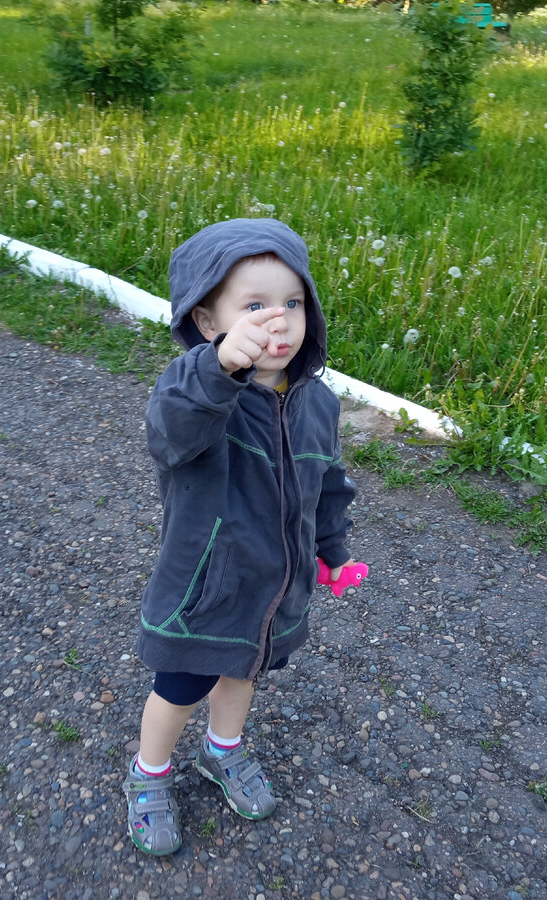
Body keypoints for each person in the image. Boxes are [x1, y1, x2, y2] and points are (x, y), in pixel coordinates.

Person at [123, 218, 359, 856]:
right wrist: (218, 370)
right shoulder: (192, 391)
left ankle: (222, 752)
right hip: (206, 585)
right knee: (180, 687)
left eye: (292, 302)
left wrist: (333, 553)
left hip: (273, 586)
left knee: (245, 673)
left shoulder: (318, 402)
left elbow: (328, 484)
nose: (277, 320)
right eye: (253, 306)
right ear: (207, 322)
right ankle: (148, 775)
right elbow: (171, 435)